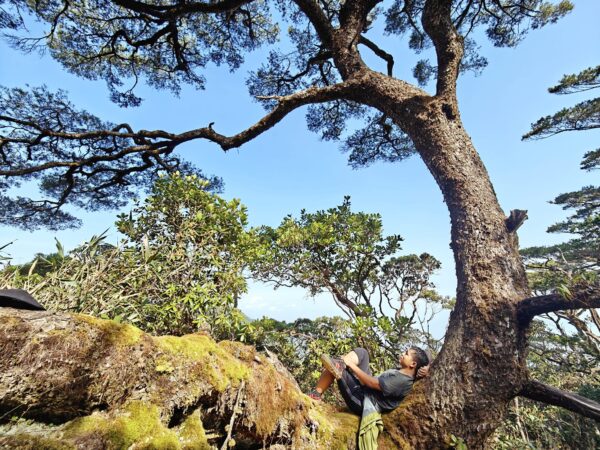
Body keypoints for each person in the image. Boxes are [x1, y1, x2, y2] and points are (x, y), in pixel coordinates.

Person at [308, 346, 430, 415]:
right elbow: (427, 359)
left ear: (413, 364)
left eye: (407, 354)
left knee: (338, 368)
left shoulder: (402, 380)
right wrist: (428, 367)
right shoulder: (402, 372)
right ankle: (340, 363)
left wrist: (351, 365)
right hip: (366, 391)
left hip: (363, 402)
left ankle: (316, 394)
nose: (403, 354)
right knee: (362, 353)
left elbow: (372, 383)